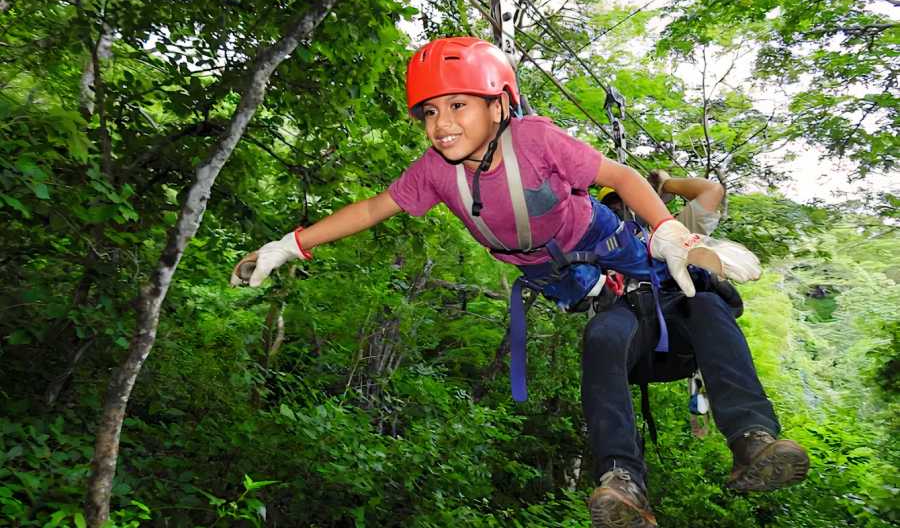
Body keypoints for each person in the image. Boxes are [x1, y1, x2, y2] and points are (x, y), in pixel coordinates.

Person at [230, 37, 808, 528]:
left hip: (679, 327)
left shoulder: (538, 143)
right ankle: (622, 482)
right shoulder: (437, 173)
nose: (442, 123)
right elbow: (374, 208)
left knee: (706, 306)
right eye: (428, 112)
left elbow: (625, 177)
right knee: (603, 336)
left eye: (457, 104)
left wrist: (672, 232)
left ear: (500, 104)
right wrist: (287, 246)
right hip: (624, 323)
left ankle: (753, 440)